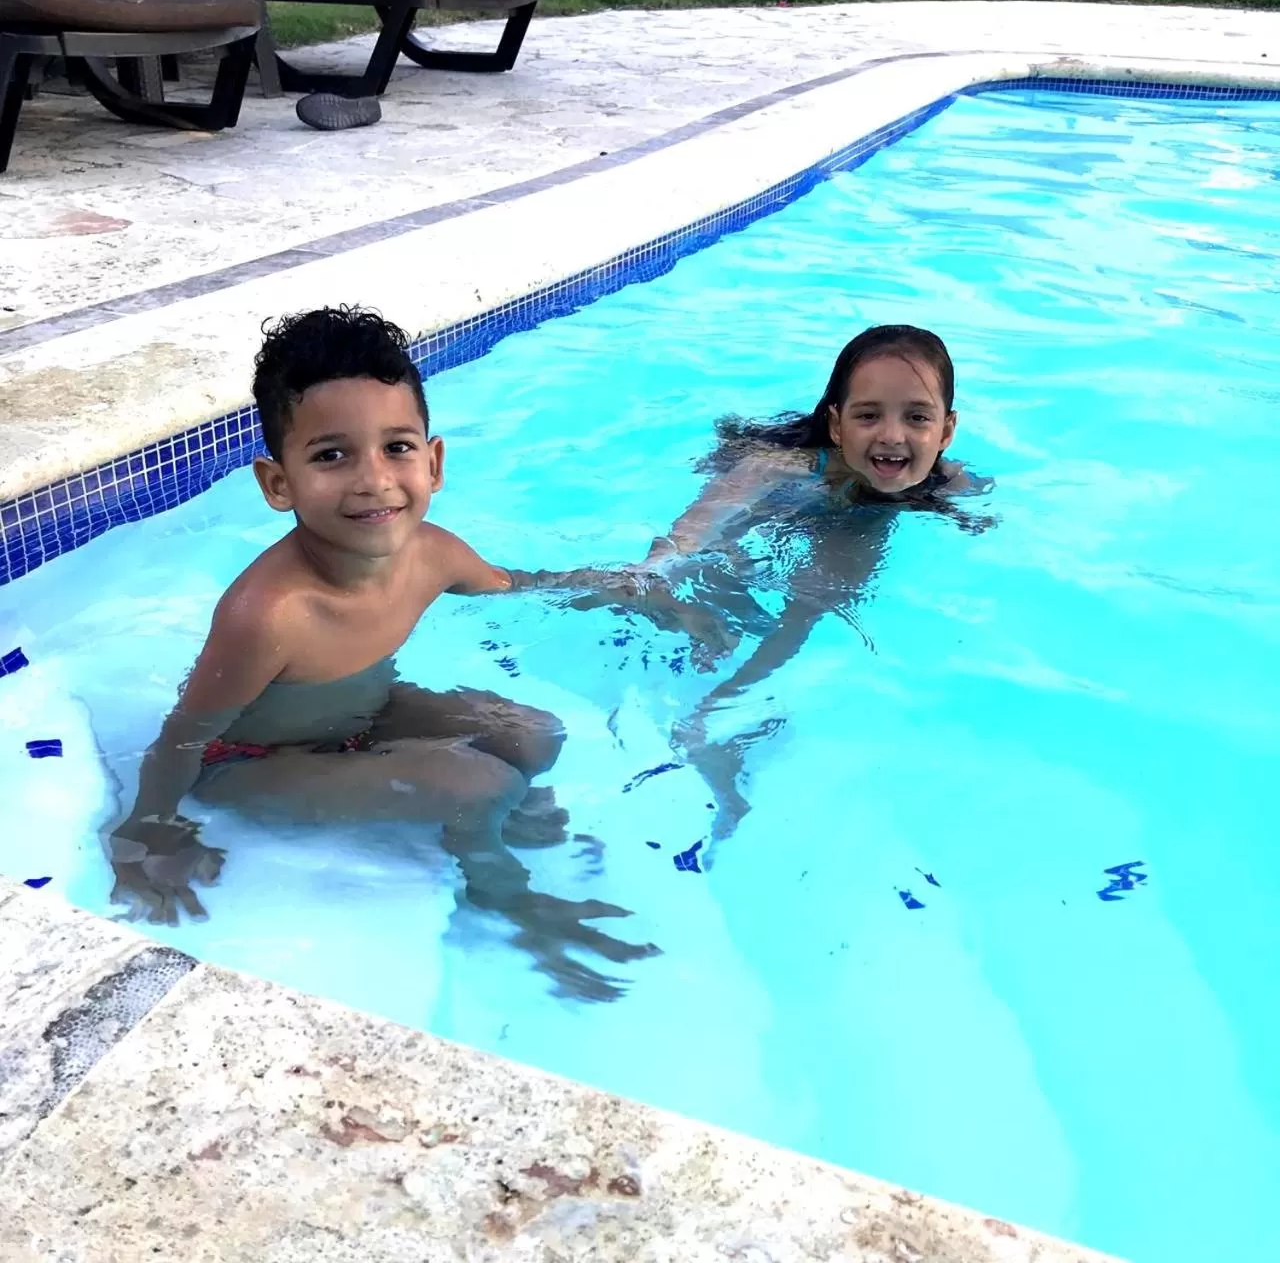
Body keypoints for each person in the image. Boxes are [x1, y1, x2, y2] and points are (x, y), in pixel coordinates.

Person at [108, 305, 732, 1001]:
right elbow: (184, 737)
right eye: (331, 454)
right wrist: (146, 832)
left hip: (359, 718)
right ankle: (506, 901)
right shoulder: (271, 613)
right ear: (277, 483)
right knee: (480, 784)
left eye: (396, 447)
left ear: (433, 463)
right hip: (250, 764)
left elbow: (525, 588)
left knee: (533, 735)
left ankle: (484, 814)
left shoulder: (432, 555)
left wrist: (635, 593)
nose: (372, 479)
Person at [643, 325, 994, 850]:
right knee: (721, 560)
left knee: (816, 600)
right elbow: (699, 524)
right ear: (836, 424)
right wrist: (657, 568)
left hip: (857, 517)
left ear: (946, 431)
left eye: (916, 417)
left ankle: (717, 712)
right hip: (800, 498)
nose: (893, 435)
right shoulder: (781, 466)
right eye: (868, 415)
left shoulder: (951, 483)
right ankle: (712, 713)